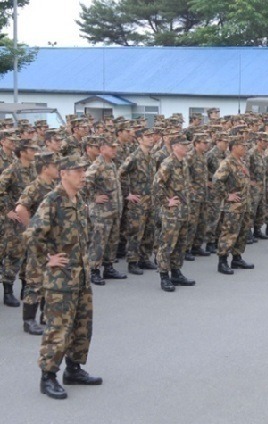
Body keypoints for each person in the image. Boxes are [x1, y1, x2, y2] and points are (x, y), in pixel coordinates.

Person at [26, 154, 102, 400]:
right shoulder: (52, 201)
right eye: (77, 171)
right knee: (58, 329)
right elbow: (32, 235)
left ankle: (74, 369)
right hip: (61, 280)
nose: (83, 175)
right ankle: (47, 376)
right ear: (63, 174)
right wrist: (47, 258)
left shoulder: (79, 199)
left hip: (81, 276)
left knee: (82, 326)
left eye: (83, 171)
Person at [15, 152, 58, 335]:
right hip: (38, 241)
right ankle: (28, 320)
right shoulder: (34, 187)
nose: (58, 169)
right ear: (45, 168)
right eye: (55, 166)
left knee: (50, 278)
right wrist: (31, 229)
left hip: (52, 240)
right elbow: (20, 208)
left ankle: (45, 315)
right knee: (35, 281)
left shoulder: (54, 185)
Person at [152, 135, 196, 292]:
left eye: (187, 145)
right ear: (175, 146)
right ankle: (164, 275)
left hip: (183, 210)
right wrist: (166, 201)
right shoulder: (168, 163)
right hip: (171, 212)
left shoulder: (182, 162)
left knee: (180, 243)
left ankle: (176, 272)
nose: (186, 147)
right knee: (167, 244)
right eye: (183, 145)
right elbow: (157, 184)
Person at [0, 138, 38, 307]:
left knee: (29, 253)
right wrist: (6, 210)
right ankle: (8, 290)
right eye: (31, 149)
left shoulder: (33, 169)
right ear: (22, 152)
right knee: (14, 254)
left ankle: (25, 287)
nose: (34, 152)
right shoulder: (12, 170)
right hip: (15, 220)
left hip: (30, 217)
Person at [85, 137, 127, 286]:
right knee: (98, 242)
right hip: (101, 212)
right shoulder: (97, 165)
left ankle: (108, 268)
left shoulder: (112, 165)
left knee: (112, 241)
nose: (114, 150)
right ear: (102, 149)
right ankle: (94, 271)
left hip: (114, 210)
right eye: (111, 147)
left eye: (115, 147)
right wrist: (93, 197)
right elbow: (83, 183)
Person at [118, 128, 158, 275]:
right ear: (139, 139)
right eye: (147, 136)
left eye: (152, 136)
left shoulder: (151, 156)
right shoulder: (134, 157)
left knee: (149, 230)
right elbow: (120, 174)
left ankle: (144, 258)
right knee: (136, 231)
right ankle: (132, 261)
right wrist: (126, 194)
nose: (151, 138)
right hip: (138, 201)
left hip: (150, 200)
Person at [212, 137, 254, 274]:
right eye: (242, 145)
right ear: (234, 147)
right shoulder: (228, 162)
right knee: (229, 233)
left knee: (242, 232)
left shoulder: (241, 161)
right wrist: (226, 195)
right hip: (233, 206)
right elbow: (216, 180)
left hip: (244, 204)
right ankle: (222, 261)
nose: (245, 148)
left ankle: (237, 258)